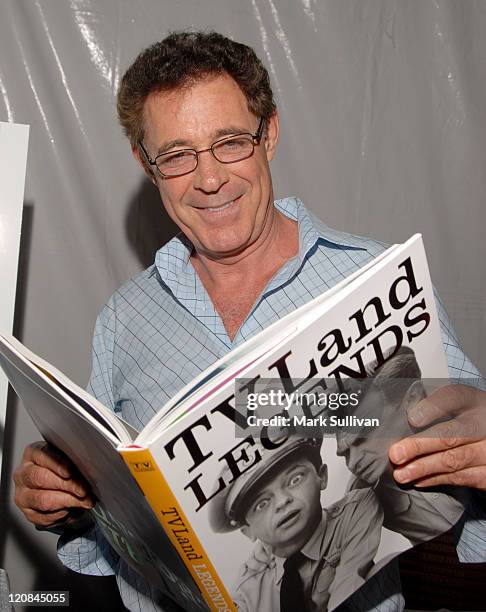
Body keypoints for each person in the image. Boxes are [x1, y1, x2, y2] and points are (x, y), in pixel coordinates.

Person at [12, 31, 486, 611]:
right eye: (177, 154)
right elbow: (117, 537)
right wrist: (68, 498)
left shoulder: (374, 281)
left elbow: (468, 450)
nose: (208, 179)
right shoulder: (124, 320)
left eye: (230, 142)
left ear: (271, 135)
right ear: (146, 163)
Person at [209, 435, 383, 612]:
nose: (283, 501)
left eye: (295, 479)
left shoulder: (352, 513)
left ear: (321, 476)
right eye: (261, 504)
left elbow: (348, 592)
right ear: (248, 531)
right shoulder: (247, 590)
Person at [336, 346, 466, 544]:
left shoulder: (462, 414)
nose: (353, 463)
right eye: (345, 453)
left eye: (365, 434)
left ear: (413, 398)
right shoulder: (362, 493)